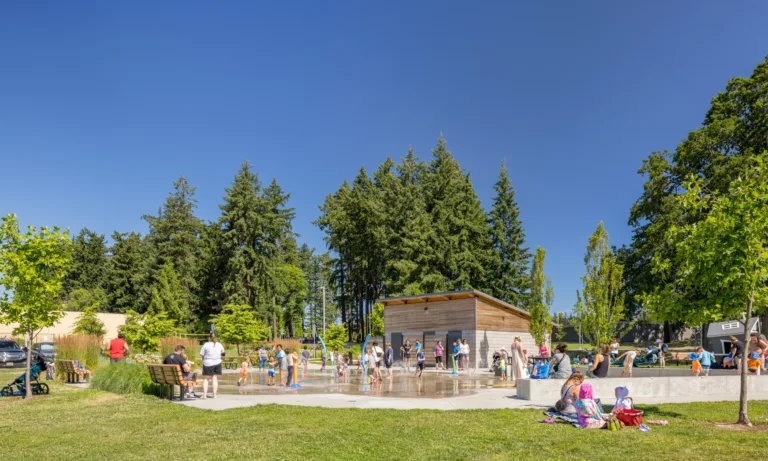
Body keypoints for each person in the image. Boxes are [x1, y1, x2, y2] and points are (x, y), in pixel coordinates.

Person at [200, 333, 225, 399]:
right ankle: (214, 395)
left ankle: (204, 395)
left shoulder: (206, 345)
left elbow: (202, 354)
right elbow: (223, 353)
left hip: (208, 363)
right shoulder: (219, 344)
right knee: (215, 378)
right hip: (217, 362)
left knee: (206, 379)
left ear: (209, 338)